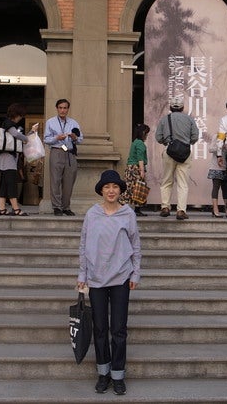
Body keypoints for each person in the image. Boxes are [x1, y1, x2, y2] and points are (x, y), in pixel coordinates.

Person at [77, 170, 141, 396]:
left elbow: (135, 245)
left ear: (120, 190)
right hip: (96, 278)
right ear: (101, 191)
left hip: (121, 277)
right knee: (100, 328)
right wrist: (82, 274)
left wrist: (135, 274)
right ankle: (103, 373)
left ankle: (118, 374)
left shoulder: (128, 214)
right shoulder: (92, 214)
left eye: (115, 187)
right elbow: (83, 244)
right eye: (107, 187)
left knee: (119, 329)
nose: (111, 191)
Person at [155, 98, 199, 220]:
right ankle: (181, 210)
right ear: (182, 107)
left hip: (169, 151)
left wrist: (168, 142)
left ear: (170, 107)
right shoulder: (189, 119)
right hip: (185, 153)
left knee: (166, 181)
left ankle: (165, 207)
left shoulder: (165, 119)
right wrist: (186, 143)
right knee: (183, 183)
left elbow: (158, 137)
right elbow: (195, 136)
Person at [44, 98, 83, 216]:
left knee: (69, 181)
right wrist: (57, 138)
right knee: (55, 180)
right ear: (57, 109)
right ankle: (57, 207)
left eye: (65, 108)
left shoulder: (73, 123)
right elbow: (46, 139)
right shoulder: (51, 122)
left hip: (70, 152)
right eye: (60, 108)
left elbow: (80, 139)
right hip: (57, 151)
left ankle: (66, 206)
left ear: (68, 109)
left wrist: (75, 138)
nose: (62, 110)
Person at [0, 103, 36, 216]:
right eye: (21, 115)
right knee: (11, 184)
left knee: (4, 185)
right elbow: (17, 135)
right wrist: (28, 137)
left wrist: (30, 133)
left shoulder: (6, 123)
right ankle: (16, 208)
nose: (21, 118)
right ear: (16, 114)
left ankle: (2, 208)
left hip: (5, 158)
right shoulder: (10, 124)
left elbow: (18, 137)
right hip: (8, 159)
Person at [119, 123, 150, 216]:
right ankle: (136, 209)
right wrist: (142, 171)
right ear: (143, 133)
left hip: (130, 168)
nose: (147, 136)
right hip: (136, 168)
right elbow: (140, 158)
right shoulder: (140, 143)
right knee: (138, 188)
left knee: (129, 188)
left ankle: (122, 208)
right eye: (146, 133)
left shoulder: (135, 142)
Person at [207, 134, 227, 217]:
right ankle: (215, 209)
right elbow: (210, 149)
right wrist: (220, 147)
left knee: (226, 189)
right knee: (216, 188)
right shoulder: (217, 136)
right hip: (216, 167)